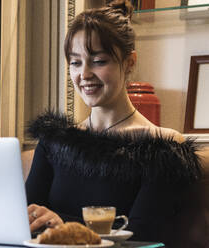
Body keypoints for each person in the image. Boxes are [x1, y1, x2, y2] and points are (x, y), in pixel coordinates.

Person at [25, 0, 209, 247]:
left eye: (99, 61)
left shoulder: (162, 149)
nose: (84, 74)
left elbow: (142, 237)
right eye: (76, 62)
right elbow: (25, 218)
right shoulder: (54, 140)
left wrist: (66, 229)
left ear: (129, 62)